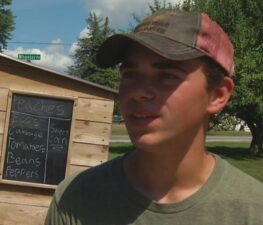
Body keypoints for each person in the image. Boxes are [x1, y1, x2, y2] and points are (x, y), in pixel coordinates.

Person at [45, 10, 263, 225]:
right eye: (130, 75)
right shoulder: (76, 199)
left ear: (217, 95)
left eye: (166, 76)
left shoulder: (253, 211)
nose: (139, 91)